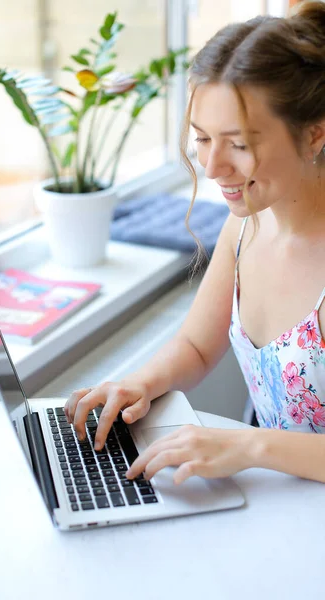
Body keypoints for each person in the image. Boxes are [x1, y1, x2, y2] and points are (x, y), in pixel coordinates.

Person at [65, 1, 325, 485]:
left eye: (240, 144)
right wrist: (138, 382)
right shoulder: (245, 226)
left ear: (313, 135)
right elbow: (196, 346)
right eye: (202, 138)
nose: (212, 167)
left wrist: (248, 445)